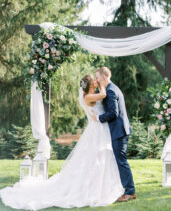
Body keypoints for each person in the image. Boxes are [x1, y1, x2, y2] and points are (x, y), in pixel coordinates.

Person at [0, 74, 124, 210]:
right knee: (94, 158)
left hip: (99, 128)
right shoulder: (88, 97)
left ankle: (103, 185)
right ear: (89, 85)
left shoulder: (89, 94)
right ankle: (95, 188)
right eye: (94, 80)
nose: (96, 80)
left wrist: (98, 84)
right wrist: (102, 83)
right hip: (96, 129)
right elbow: (103, 95)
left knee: (99, 158)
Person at [92, 67, 136, 202]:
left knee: (121, 161)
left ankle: (130, 192)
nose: (96, 80)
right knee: (120, 161)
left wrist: (98, 118)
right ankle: (125, 189)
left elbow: (113, 113)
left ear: (104, 77)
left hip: (119, 131)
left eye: (97, 77)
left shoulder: (111, 90)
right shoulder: (111, 88)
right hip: (120, 130)